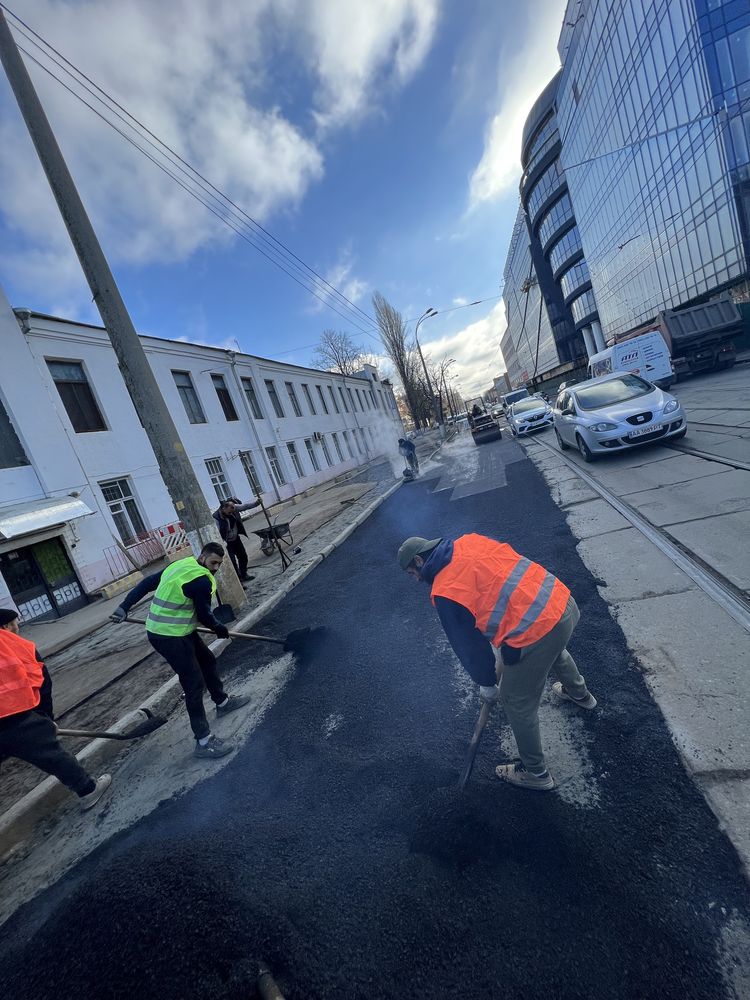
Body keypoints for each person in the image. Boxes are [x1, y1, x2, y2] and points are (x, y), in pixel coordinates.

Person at [397, 533, 596, 792]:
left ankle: (535, 773)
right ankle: (580, 694)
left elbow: (469, 647)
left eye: (412, 574)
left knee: (516, 701)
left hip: (537, 630)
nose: (416, 581)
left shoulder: (445, 592)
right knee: (552, 650)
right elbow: (500, 584)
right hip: (561, 602)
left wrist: (487, 684)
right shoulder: (468, 542)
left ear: (419, 561)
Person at [110, 542, 250, 760]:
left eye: (219, 564)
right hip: (168, 637)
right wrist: (220, 628)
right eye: (213, 562)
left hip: (179, 630)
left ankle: (222, 702)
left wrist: (125, 607)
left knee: (207, 661)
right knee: (193, 683)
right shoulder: (201, 580)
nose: (215, 568)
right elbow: (204, 616)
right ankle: (204, 742)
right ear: (202, 557)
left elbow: (147, 583)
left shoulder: (180, 564)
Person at [0, 609, 111, 810]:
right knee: (52, 755)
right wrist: (45, 718)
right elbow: (42, 681)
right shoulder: (17, 645)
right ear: (6, 626)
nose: (18, 627)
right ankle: (88, 790)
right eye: (16, 623)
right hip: (13, 717)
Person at [212, 497, 260, 584]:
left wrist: (256, 503)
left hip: (235, 539)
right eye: (229, 512)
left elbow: (245, 506)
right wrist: (221, 544)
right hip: (227, 543)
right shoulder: (216, 518)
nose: (231, 513)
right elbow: (216, 533)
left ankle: (244, 574)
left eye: (232, 511)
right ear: (223, 508)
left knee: (243, 556)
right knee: (233, 562)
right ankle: (239, 581)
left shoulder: (233, 508)